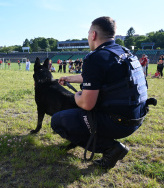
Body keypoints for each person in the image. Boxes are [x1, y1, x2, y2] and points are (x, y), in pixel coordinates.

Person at [51, 16, 149, 169]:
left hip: (118, 122)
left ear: (94, 35)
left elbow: (87, 104)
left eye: (89, 33)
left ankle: (110, 148)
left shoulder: (95, 57)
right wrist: (69, 78)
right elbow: (96, 77)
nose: (88, 36)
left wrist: (76, 96)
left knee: (57, 120)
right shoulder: (124, 52)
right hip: (136, 118)